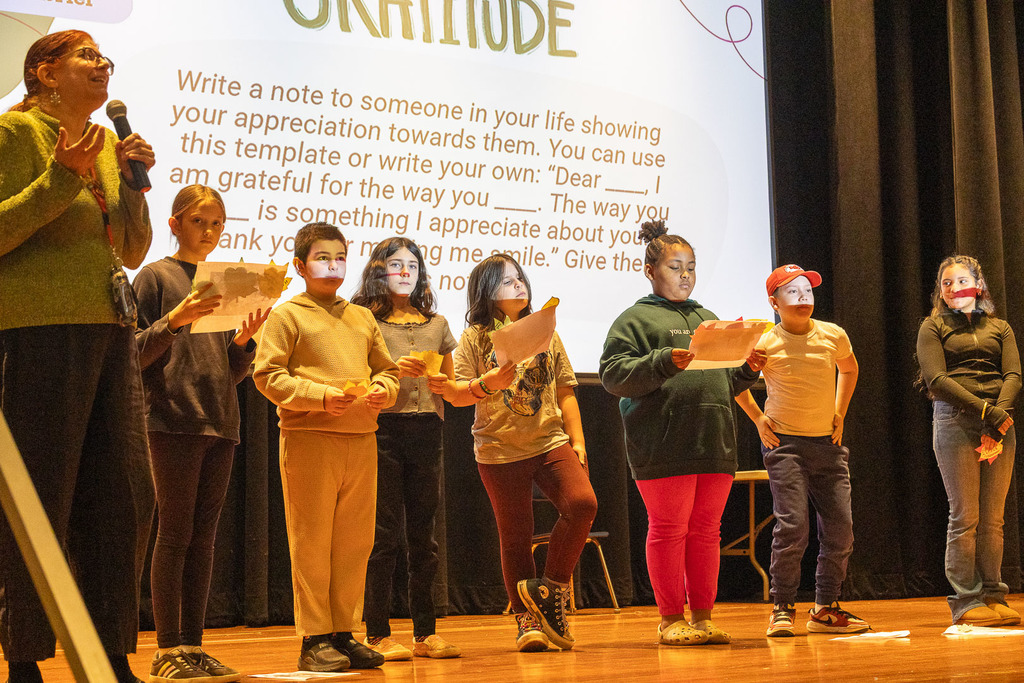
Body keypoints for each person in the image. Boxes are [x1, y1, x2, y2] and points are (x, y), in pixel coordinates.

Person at [0, 29, 156, 683]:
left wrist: (136, 186)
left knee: (123, 496)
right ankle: (28, 655)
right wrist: (61, 175)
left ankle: (110, 650)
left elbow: (131, 250)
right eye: (87, 57)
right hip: (39, 330)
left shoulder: (111, 146)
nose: (102, 67)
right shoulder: (14, 134)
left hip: (110, 329)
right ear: (44, 72)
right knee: (43, 498)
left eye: (105, 59)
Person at [599, 220, 763, 646]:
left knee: (708, 531)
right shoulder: (634, 320)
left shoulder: (707, 317)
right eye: (676, 267)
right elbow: (613, 377)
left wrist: (746, 370)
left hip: (714, 440)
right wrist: (661, 361)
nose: (686, 275)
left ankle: (703, 617)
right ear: (650, 270)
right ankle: (671, 618)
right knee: (669, 529)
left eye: (691, 267)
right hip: (662, 443)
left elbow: (724, 384)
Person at [427, 254, 597, 652]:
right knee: (515, 537)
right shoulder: (473, 338)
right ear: (485, 291)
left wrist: (579, 441)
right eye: (506, 281)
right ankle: (526, 622)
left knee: (582, 504)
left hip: (549, 441)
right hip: (498, 449)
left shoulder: (546, 331)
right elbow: (455, 394)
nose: (518, 284)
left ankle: (550, 591)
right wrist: (489, 383)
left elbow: (566, 388)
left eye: (520, 277)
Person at [133, 185, 269, 681]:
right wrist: (174, 321)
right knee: (174, 535)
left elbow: (227, 370)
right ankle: (167, 649)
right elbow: (131, 355)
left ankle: (193, 644)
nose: (208, 232)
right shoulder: (155, 277)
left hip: (220, 419)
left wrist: (243, 344)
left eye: (216, 224)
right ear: (174, 224)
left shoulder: (225, 283)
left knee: (203, 540)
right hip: (171, 419)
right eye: (198, 222)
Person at [253, 222, 399, 672]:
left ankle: (344, 632)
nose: (333, 266)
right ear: (299, 265)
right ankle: (315, 637)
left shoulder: (361, 317)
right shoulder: (287, 315)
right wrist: (319, 397)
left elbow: (389, 373)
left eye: (340, 257)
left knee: (354, 545)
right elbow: (267, 375)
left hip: (360, 439)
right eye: (322, 257)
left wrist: (382, 391)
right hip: (309, 438)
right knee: (312, 542)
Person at [734, 264, 869, 637]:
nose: (802, 298)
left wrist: (840, 411)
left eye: (807, 290)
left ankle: (825, 606)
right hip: (786, 446)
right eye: (792, 292)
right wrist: (759, 420)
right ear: (774, 302)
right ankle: (782, 607)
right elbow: (737, 384)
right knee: (794, 525)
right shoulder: (765, 341)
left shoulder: (832, 334)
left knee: (841, 529)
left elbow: (850, 369)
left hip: (827, 443)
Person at [351, 237, 461, 660]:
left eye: (412, 266)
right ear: (379, 270)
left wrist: (442, 384)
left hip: (426, 431)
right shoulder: (363, 320)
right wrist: (392, 372)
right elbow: (355, 376)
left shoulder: (436, 324)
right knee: (382, 536)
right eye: (395, 265)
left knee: (424, 537)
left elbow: (450, 387)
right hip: (381, 431)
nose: (405, 272)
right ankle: (376, 632)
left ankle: (425, 632)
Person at [916, 255, 1020, 626]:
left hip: (999, 425)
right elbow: (937, 380)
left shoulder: (1000, 328)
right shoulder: (933, 327)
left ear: (978, 284)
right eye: (946, 283)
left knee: (994, 519)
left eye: (961, 281)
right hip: (956, 422)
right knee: (965, 517)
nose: (954, 288)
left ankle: (993, 594)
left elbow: (1013, 375)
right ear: (940, 292)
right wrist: (986, 412)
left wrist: (999, 415)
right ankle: (966, 600)